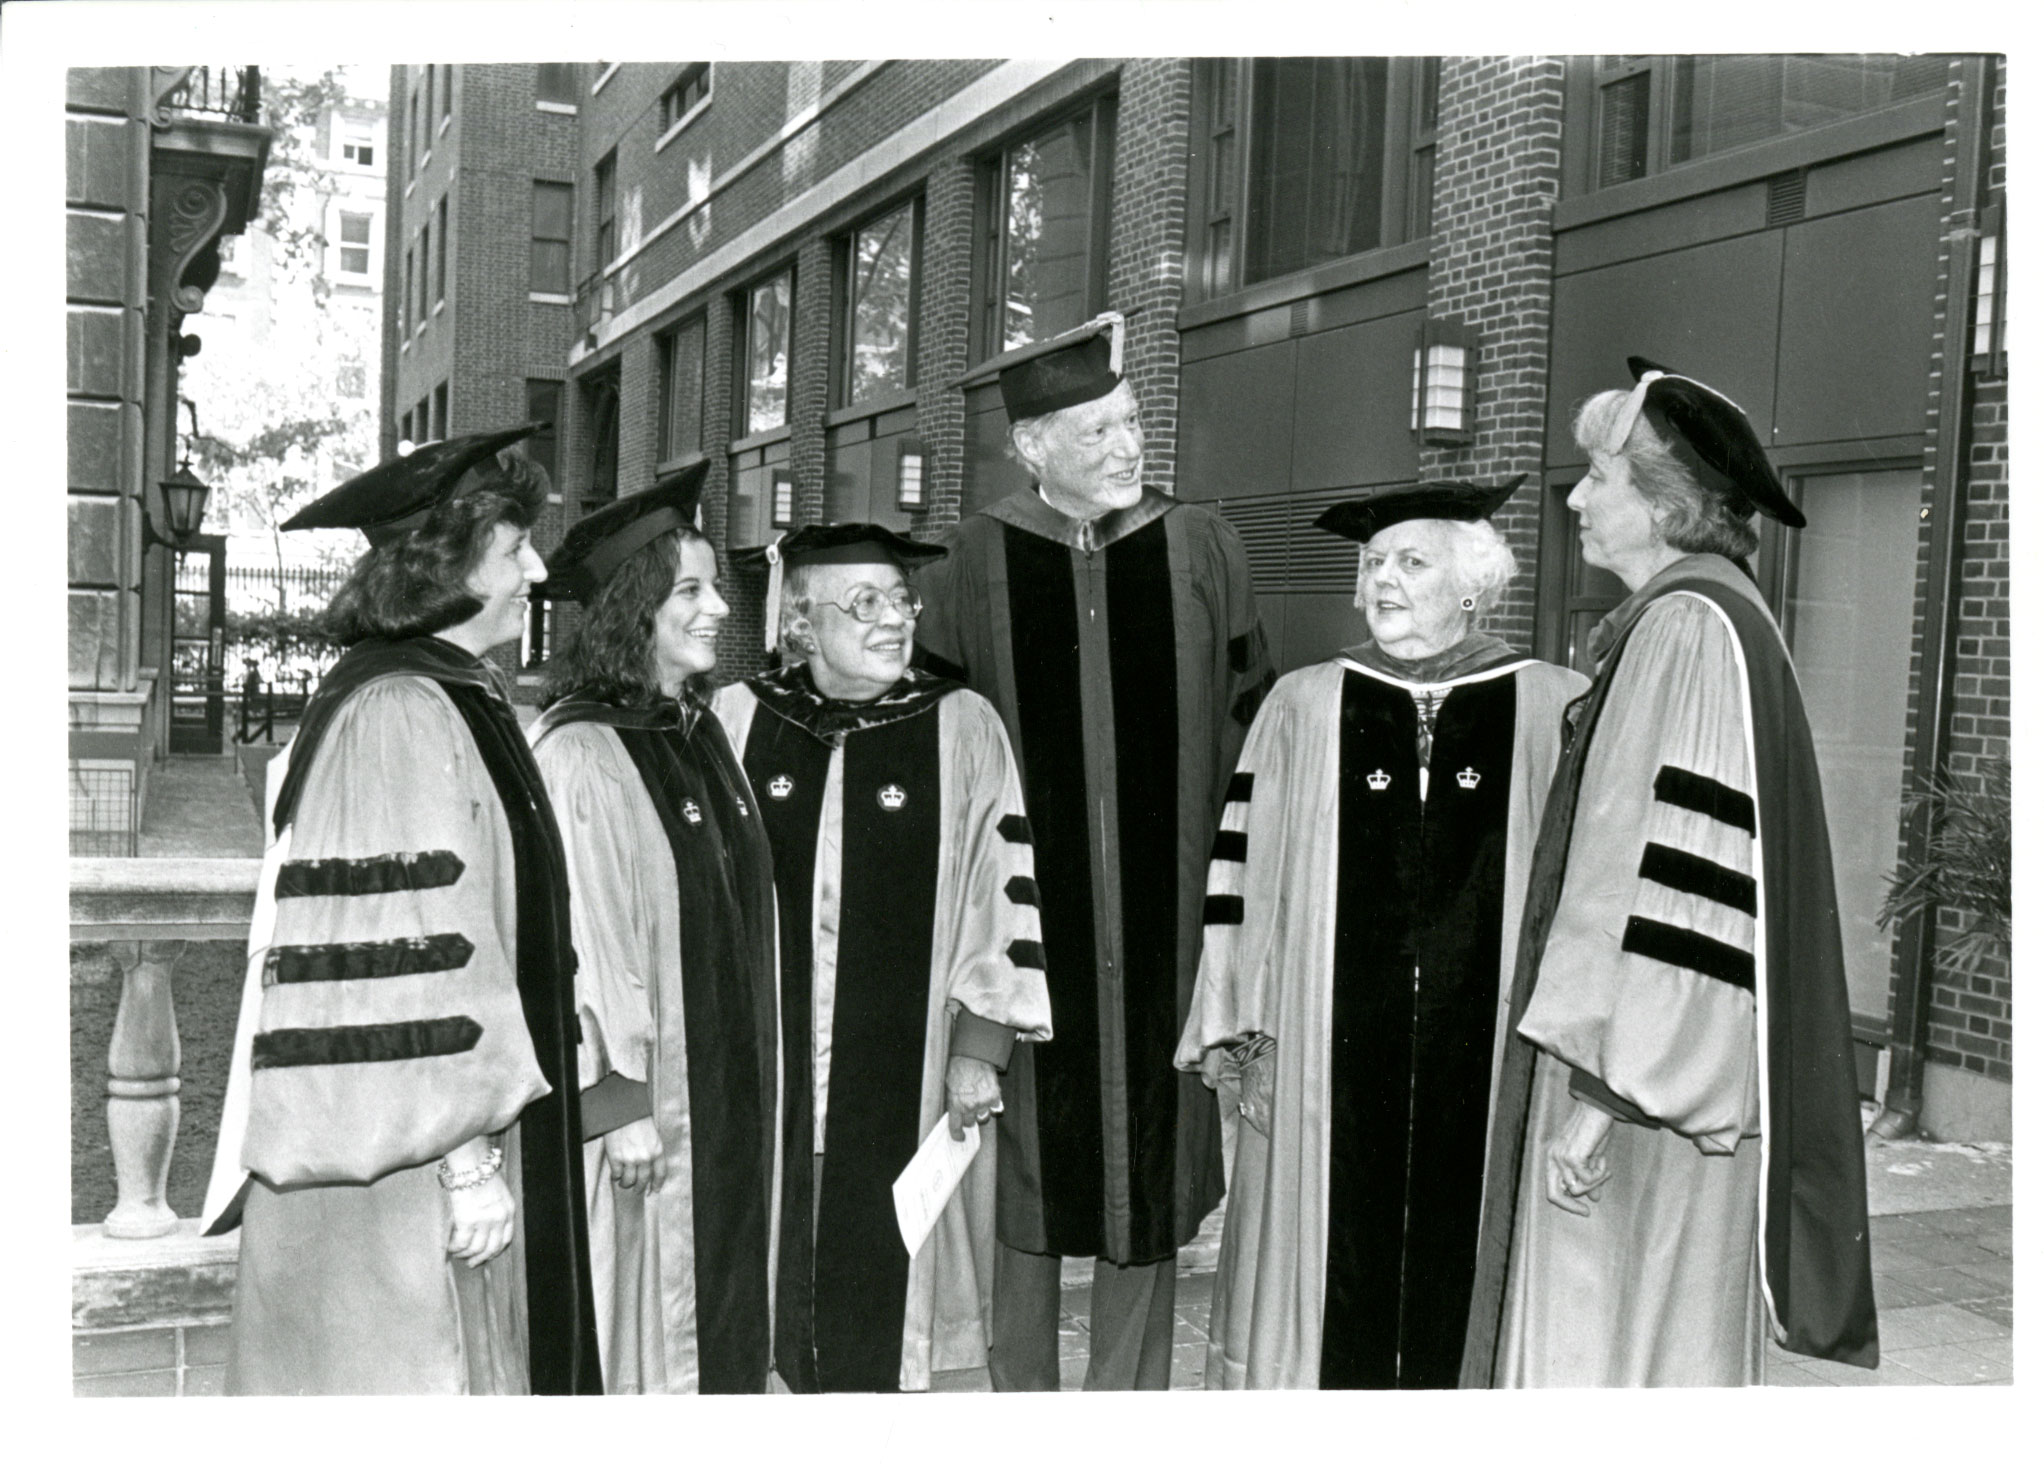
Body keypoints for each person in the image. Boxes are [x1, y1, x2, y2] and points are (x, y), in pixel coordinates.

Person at [1463, 358, 1880, 1386]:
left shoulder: (1689, 629)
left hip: (1646, 1089)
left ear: (1663, 503)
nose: (1574, 497)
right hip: (1649, 1068)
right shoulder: (1708, 614)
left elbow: (1672, 887)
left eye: (1599, 475)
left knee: (1616, 1352)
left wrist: (1607, 1097)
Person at [200, 426, 601, 1395]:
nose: (538, 569)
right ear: (447, 562)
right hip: (395, 1162)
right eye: (515, 549)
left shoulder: (454, 694)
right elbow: (399, 954)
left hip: (429, 1138)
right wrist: (462, 1163)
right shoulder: (398, 714)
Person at [914, 314, 1273, 1391]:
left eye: (1132, 423)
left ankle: (1129, 1418)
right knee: (1026, 1169)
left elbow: (1251, 733)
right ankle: (1020, 1408)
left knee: (1150, 1178)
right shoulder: (973, 560)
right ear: (1032, 447)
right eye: (1100, 430)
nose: (1129, 447)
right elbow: (942, 757)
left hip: (1170, 928)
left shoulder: (1203, 544)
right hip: (1027, 937)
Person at [1175, 478, 1587, 1389]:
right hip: (1325, 1059)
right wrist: (1237, 1032)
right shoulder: (1304, 702)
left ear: (1474, 585)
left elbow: (1588, 902)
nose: (1383, 580)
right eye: (1372, 563)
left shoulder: (1558, 706)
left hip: (1494, 1062)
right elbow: (1242, 880)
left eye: (1411, 561)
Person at [714, 524, 1053, 1393]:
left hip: (912, 1071)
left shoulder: (962, 723)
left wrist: (981, 1047)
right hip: (767, 1062)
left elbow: (1001, 882)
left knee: (890, 1283)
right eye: (864, 603)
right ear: (802, 623)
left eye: (900, 600)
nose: (894, 620)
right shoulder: (739, 718)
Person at [527, 470, 781, 1394]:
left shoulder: (696, 730)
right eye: (691, 590)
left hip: (719, 1092)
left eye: (715, 586)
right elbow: (583, 947)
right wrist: (620, 1101)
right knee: (646, 1325)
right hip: (646, 1114)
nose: (720, 607)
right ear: (634, 611)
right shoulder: (584, 752)